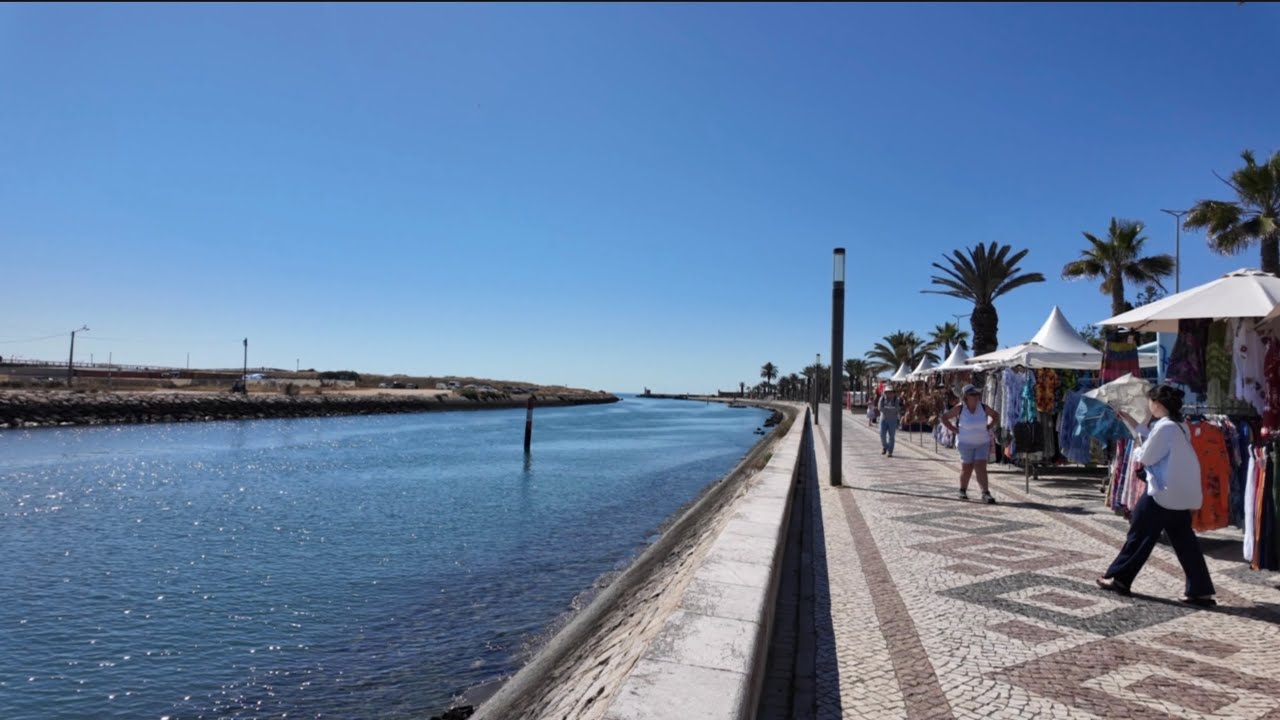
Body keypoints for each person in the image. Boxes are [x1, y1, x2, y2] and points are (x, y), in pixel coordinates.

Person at [1097, 384, 1216, 606]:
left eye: (1150, 401)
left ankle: (1119, 577)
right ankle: (1201, 591)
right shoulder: (1179, 426)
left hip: (1162, 493)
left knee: (1139, 533)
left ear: (1158, 404)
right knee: (1185, 543)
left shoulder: (1166, 428)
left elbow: (1148, 456)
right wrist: (1131, 421)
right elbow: (1152, 437)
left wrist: (1139, 448)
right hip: (1179, 496)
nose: (1148, 405)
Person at [939, 384, 1000, 504]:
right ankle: (962, 490)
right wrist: (954, 429)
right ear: (966, 396)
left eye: (976, 394)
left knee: (981, 467)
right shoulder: (960, 408)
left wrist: (989, 426)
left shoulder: (983, 407)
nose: (976, 396)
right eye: (972, 394)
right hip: (965, 443)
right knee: (967, 468)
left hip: (982, 442)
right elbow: (944, 418)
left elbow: (995, 415)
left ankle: (985, 493)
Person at [877, 385, 902, 456]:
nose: (890, 394)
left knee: (892, 436)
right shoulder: (882, 399)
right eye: (888, 392)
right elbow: (880, 408)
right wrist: (891, 409)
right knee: (882, 435)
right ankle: (885, 446)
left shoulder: (896, 399)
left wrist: (887, 409)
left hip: (892, 421)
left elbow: (897, 408)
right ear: (885, 392)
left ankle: (890, 451)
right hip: (883, 419)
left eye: (891, 392)